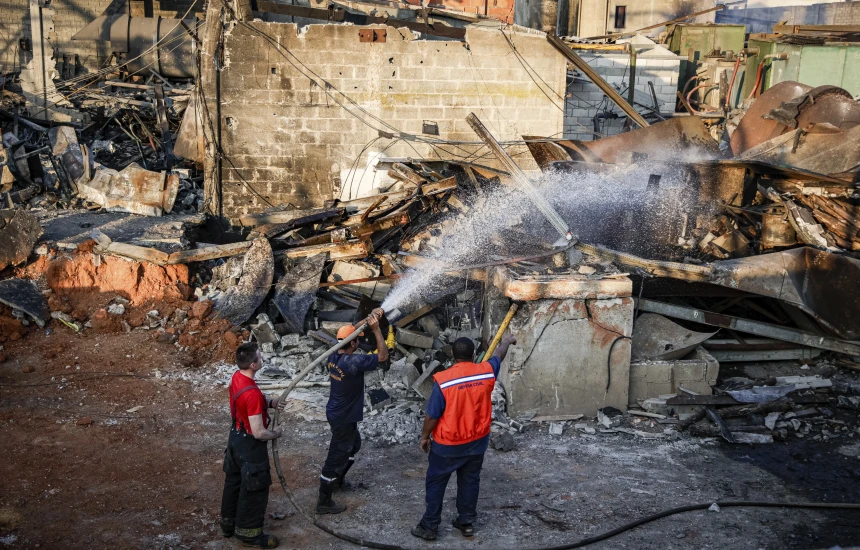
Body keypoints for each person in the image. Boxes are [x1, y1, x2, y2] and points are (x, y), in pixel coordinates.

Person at [411, 334, 517, 541]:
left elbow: (432, 415)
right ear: (474, 354)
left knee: (436, 482)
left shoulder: (443, 380)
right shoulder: (486, 372)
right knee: (470, 481)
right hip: (477, 442)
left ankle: (430, 526)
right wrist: (507, 341)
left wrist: (425, 437)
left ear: (452, 354)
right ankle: (466, 522)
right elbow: (498, 355)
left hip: (448, 444)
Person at [317, 307, 389, 514]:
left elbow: (351, 333)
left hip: (337, 413)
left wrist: (367, 320)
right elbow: (383, 357)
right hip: (343, 417)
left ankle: (338, 481)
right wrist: (376, 330)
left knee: (353, 445)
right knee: (336, 457)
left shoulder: (334, 353)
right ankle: (324, 501)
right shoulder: (354, 362)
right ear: (354, 344)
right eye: (357, 339)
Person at [220, 342, 286, 548]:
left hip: (235, 440)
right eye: (260, 357)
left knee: (234, 483)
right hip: (250, 446)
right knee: (254, 487)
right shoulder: (253, 394)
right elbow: (258, 432)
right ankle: (249, 533)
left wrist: (270, 403)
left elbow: (247, 402)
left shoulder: (237, 377)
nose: (263, 359)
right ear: (253, 365)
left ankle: (228, 525)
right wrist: (275, 433)